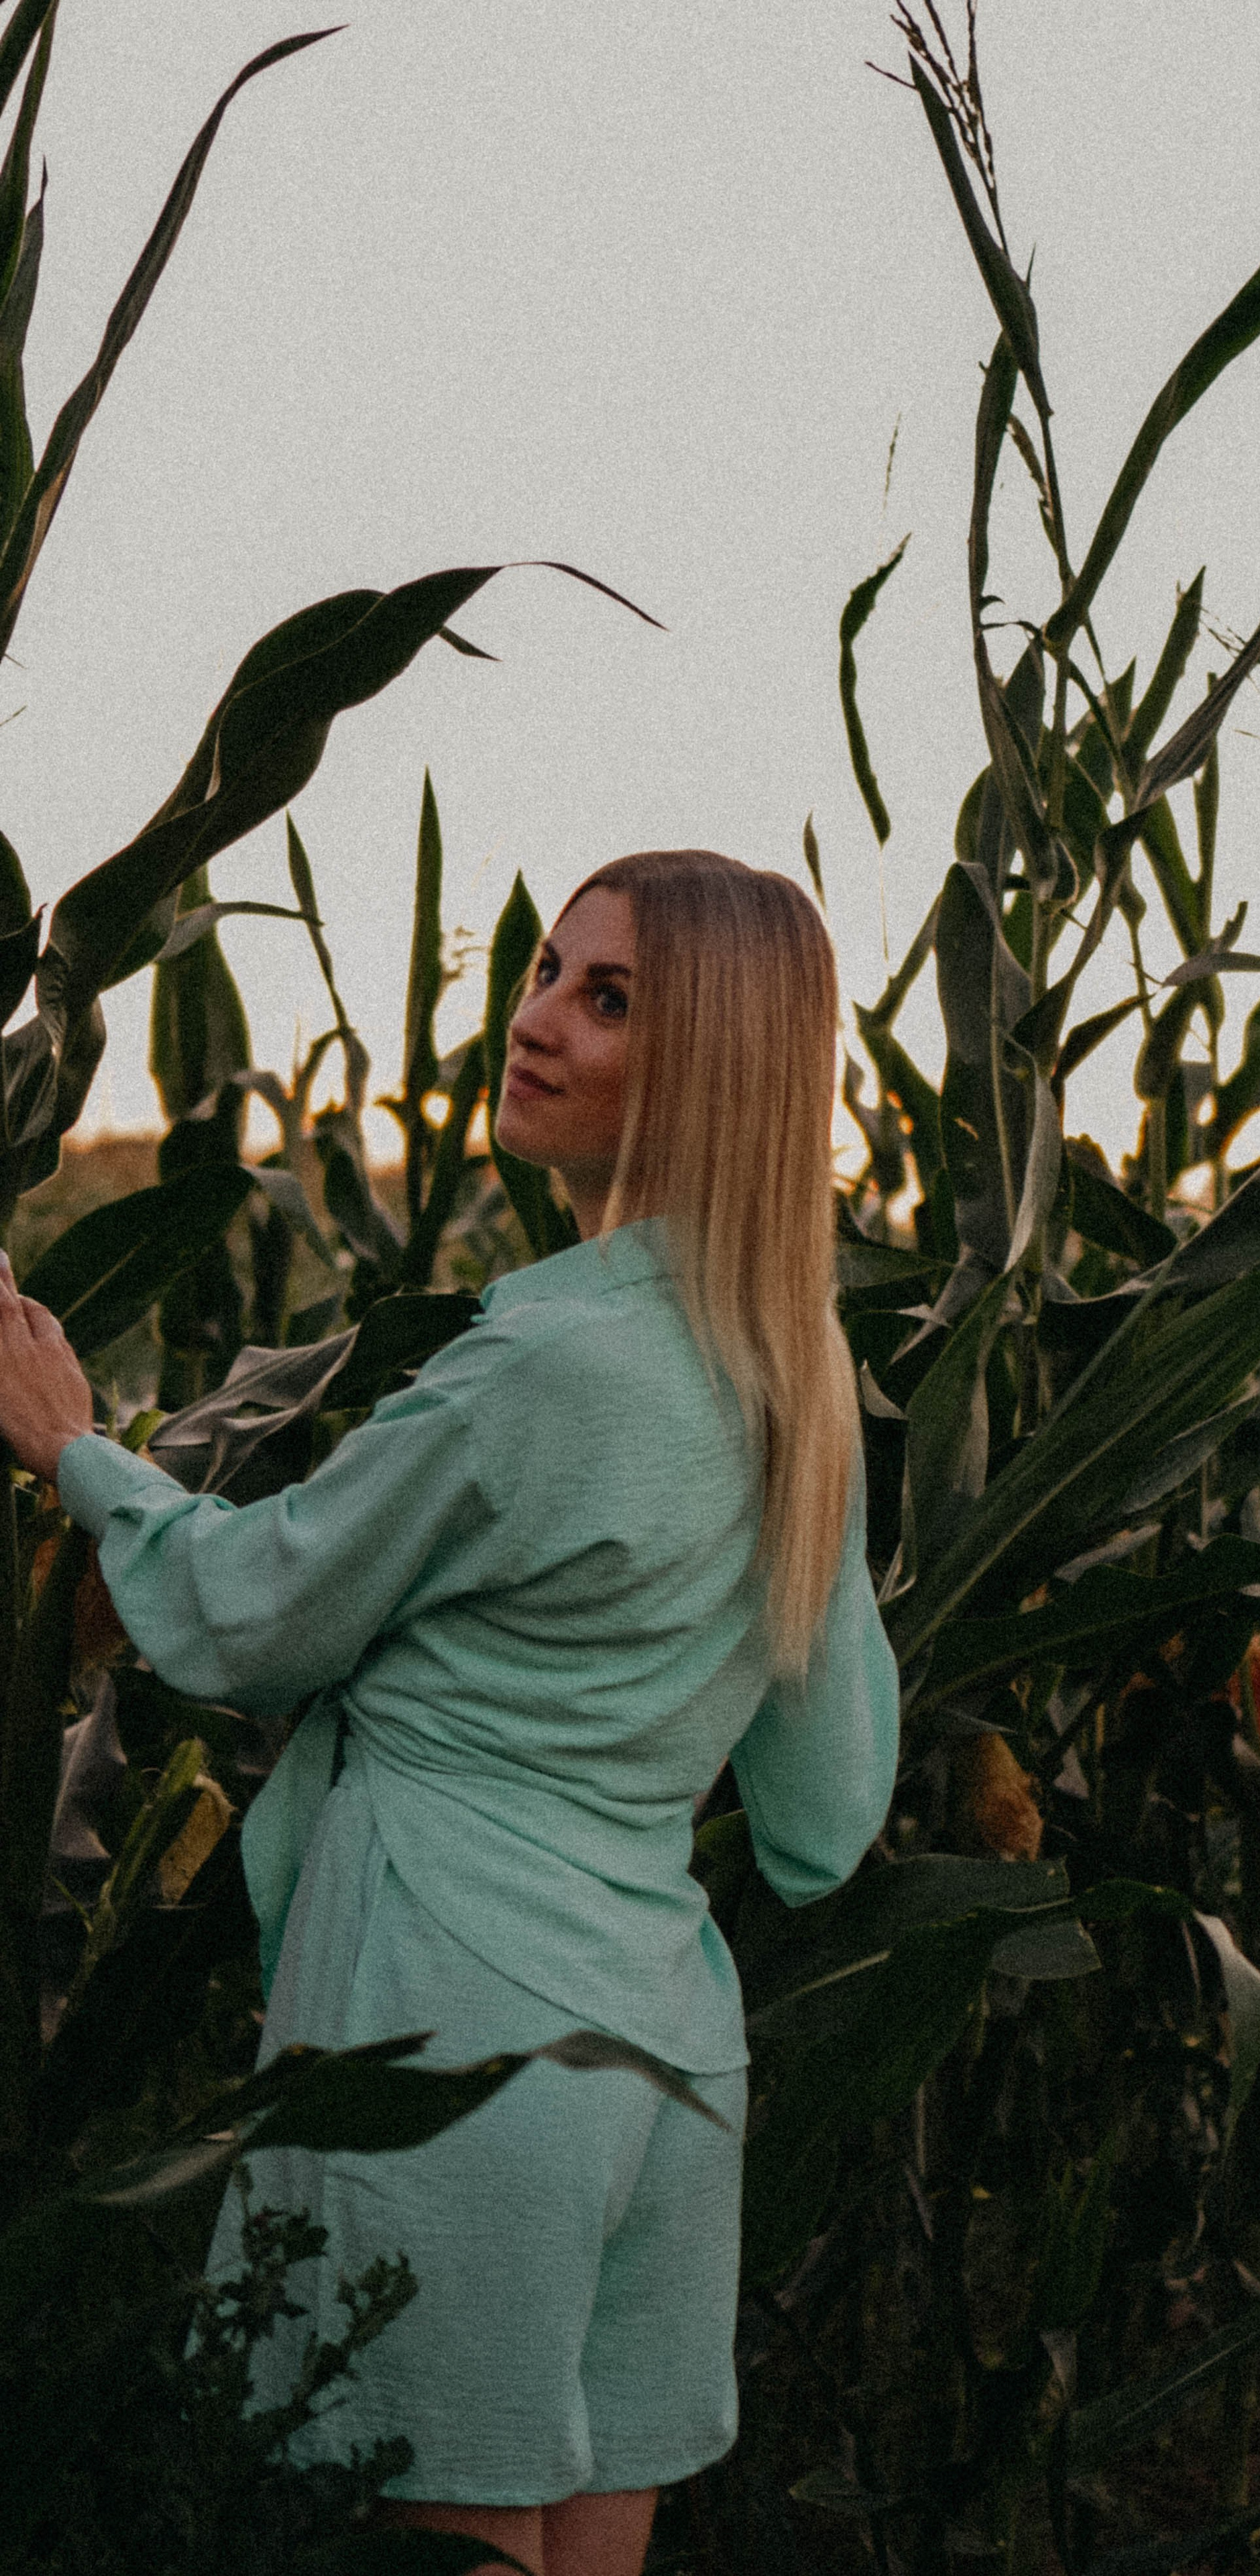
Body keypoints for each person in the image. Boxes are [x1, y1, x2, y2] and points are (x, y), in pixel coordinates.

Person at [0, 849, 900, 2576]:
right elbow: (822, 1813)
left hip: (452, 2035)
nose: (536, 1018)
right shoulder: (799, 1387)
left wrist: (73, 1447)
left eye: (608, 997)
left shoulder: (547, 1365)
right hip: (662, 2061)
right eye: (551, 970)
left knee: (431, 2544)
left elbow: (251, 1609)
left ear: (713, 1064)